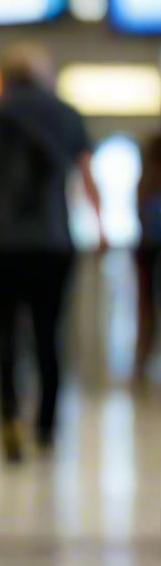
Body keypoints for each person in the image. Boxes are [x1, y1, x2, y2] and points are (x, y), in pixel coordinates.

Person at [0, 43, 104, 462]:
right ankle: (46, 426)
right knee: (49, 335)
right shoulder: (67, 114)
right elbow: (85, 175)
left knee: (5, 336)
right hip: (52, 243)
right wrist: (99, 226)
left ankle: (9, 420)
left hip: (1, 242)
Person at [134, 129, 161, 382]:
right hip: (149, 252)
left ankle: (141, 364)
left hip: (147, 252)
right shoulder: (147, 182)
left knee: (147, 310)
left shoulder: (146, 183)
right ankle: (141, 363)